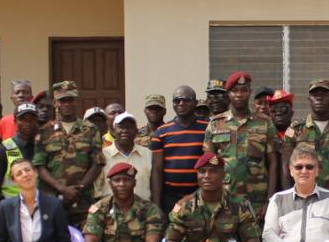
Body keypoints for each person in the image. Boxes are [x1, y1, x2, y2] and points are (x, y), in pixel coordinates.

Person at [204, 71, 280, 211]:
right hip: (225, 198)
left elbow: (273, 163)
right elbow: (208, 165)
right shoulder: (215, 124)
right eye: (234, 90)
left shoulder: (265, 123)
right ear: (228, 93)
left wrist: (270, 200)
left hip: (256, 199)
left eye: (243, 90)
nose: (239, 94)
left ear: (249, 92)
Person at [33, 80, 102, 227]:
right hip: (52, 201)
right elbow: (39, 166)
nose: (66, 104)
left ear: (76, 101)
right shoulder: (44, 131)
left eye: (70, 99)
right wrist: (62, 189)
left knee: (84, 239)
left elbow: (97, 164)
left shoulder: (91, 129)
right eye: (62, 100)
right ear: (55, 103)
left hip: (82, 201)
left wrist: (78, 190)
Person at [285, 79, 329, 200]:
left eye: (324, 94)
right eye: (315, 95)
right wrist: (288, 197)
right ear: (309, 99)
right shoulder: (296, 129)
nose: (319, 98)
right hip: (304, 197)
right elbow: (285, 165)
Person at [150, 86, 207, 216]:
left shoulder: (207, 128)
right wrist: (156, 204)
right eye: (177, 100)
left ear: (195, 103)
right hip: (170, 198)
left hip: (199, 196)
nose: (181, 103)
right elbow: (157, 170)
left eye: (186, 100)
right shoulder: (161, 132)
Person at [95, 112, 152, 201]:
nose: (125, 130)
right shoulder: (103, 155)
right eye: (121, 127)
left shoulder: (148, 154)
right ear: (114, 131)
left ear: (136, 131)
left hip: (143, 208)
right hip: (111, 208)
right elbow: (97, 189)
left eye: (129, 127)